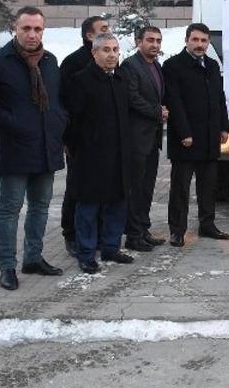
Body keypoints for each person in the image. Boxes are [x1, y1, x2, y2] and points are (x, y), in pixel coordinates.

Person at [0, 6, 67, 291]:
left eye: (37, 29)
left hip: (46, 147)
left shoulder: (50, 61)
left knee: (40, 207)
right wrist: (14, 123)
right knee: (10, 209)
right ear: (14, 29)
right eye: (26, 28)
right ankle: (7, 265)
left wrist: (58, 121)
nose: (32, 34)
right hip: (15, 147)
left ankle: (33, 257)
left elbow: (57, 99)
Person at [61, 33, 136, 273]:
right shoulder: (81, 81)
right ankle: (86, 253)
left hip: (119, 155)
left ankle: (111, 247)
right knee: (88, 207)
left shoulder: (120, 79)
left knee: (117, 203)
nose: (112, 54)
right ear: (94, 53)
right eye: (106, 50)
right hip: (90, 157)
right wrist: (77, 148)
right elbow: (71, 122)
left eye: (115, 49)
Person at [164, 23, 229, 245]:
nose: (199, 44)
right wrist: (184, 132)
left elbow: (219, 98)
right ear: (186, 40)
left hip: (210, 137)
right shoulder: (173, 66)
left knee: (208, 186)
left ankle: (207, 225)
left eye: (204, 40)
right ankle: (177, 230)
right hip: (185, 139)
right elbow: (174, 102)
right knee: (180, 188)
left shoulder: (212, 65)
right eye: (195, 40)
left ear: (208, 43)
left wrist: (224, 127)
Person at [59, 15, 110, 256]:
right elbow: (65, 104)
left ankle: (95, 233)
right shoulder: (73, 63)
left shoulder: (109, 60)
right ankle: (71, 234)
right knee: (76, 188)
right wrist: (68, 139)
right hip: (80, 140)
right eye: (103, 29)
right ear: (90, 36)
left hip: (104, 140)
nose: (108, 31)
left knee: (100, 188)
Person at [120, 26, 168, 252]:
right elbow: (132, 98)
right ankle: (133, 235)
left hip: (152, 138)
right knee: (135, 188)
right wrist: (157, 112)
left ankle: (143, 229)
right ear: (138, 41)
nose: (155, 45)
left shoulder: (156, 66)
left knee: (147, 187)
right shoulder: (130, 66)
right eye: (150, 40)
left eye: (158, 40)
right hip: (136, 139)